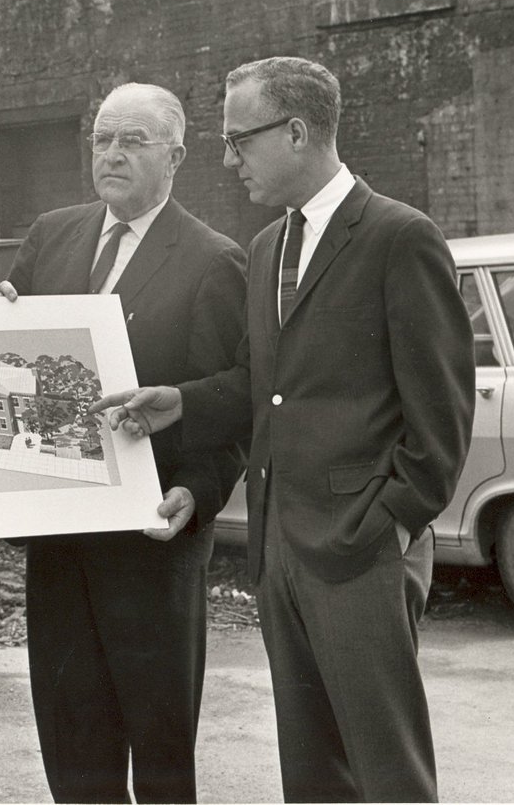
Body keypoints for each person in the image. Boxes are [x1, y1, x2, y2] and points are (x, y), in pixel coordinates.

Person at [95, 57, 475, 802]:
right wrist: (182, 401)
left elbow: (443, 413)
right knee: (312, 774)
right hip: (282, 550)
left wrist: (391, 525)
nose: (228, 159)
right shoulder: (269, 246)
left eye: (240, 140)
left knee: (388, 772)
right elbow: (261, 384)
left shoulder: (399, 236)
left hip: (362, 550)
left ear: (297, 133)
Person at [0, 82, 247, 803]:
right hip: (59, 534)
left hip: (151, 541)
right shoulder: (53, 233)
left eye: (132, 141)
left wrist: (198, 492)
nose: (112, 154)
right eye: (102, 139)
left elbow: (232, 399)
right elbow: (10, 350)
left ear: (175, 156)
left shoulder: (214, 259)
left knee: (160, 741)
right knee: (72, 737)